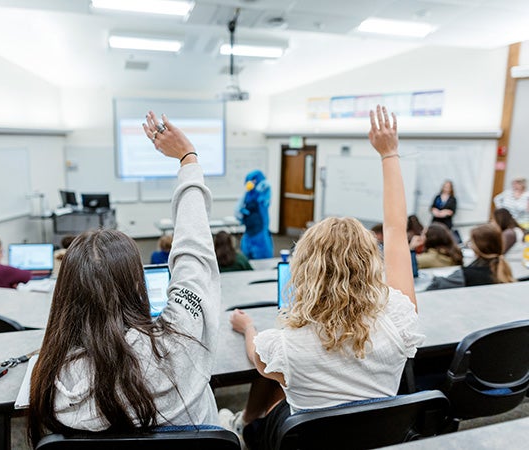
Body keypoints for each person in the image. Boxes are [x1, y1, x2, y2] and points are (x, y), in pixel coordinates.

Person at [219, 106, 423, 450]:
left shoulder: (284, 345)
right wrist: (389, 154)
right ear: (371, 263)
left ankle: (242, 428)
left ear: (305, 269)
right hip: (377, 438)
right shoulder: (400, 320)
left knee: (272, 410)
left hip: (310, 440)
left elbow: (258, 356)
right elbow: (396, 231)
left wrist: (248, 327)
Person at [28, 112, 221, 446]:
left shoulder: (51, 378)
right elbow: (194, 253)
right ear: (138, 286)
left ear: (66, 293)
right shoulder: (184, 344)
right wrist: (188, 158)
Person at [426, 223, 515, 290]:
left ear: (478, 247)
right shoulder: (503, 268)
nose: (469, 244)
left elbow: (433, 287)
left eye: (471, 242)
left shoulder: (466, 274)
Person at [235, 170, 274, 259]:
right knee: (246, 260)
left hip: (260, 233)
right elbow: (238, 211)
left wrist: (262, 185)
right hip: (248, 232)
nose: (251, 182)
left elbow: (266, 190)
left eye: (254, 180)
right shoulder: (248, 194)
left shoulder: (263, 191)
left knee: (263, 262)